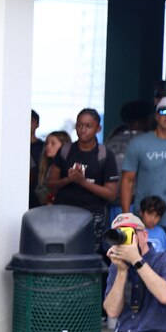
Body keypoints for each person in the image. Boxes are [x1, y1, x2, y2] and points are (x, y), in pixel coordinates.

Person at [46, 108, 119, 252]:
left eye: (88, 126)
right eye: (79, 125)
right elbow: (50, 184)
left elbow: (111, 194)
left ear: (98, 128)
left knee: (88, 256)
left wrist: (82, 182)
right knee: (62, 253)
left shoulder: (105, 155)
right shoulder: (66, 151)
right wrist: (68, 179)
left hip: (92, 216)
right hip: (63, 213)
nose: (83, 130)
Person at [121, 96, 166, 228]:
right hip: (145, 219)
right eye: (164, 111)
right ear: (156, 116)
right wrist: (126, 216)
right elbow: (127, 181)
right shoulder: (138, 143)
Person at [31, 130, 70, 206]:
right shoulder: (45, 166)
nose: (48, 146)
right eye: (47, 143)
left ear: (64, 145)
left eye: (53, 143)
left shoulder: (68, 167)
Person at [30, 109, 45, 208]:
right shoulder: (16, 146)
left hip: (40, 193)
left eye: (31, 121)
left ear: (37, 124)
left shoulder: (44, 146)